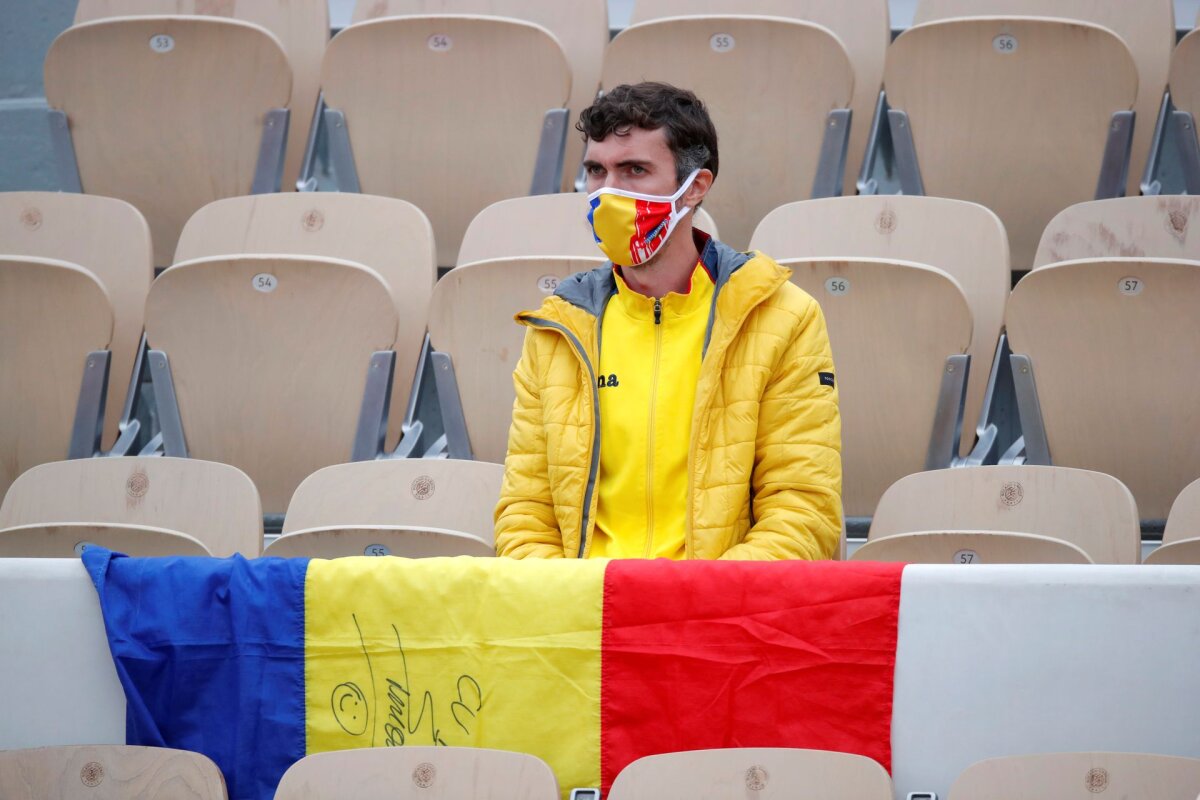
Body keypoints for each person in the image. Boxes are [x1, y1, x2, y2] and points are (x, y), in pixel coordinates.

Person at [494, 81, 841, 560]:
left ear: (695, 187)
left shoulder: (784, 317)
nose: (608, 191)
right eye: (597, 170)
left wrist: (688, 611)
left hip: (713, 621)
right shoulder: (559, 327)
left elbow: (802, 511)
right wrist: (577, 609)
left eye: (634, 170)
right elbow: (525, 514)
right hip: (586, 617)